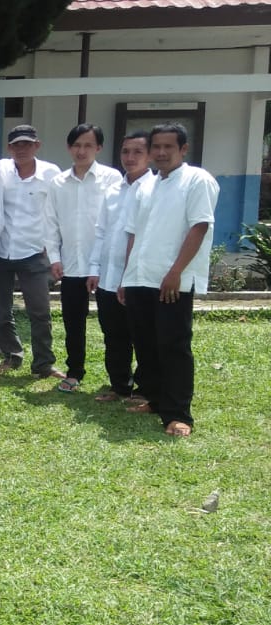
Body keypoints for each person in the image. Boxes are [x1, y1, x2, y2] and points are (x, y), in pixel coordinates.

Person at [120, 122, 220, 437]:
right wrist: (126, 276)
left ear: (183, 149)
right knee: (146, 343)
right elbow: (134, 234)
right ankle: (155, 399)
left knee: (173, 345)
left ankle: (178, 414)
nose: (162, 152)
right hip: (140, 276)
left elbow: (199, 227)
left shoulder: (197, 180)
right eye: (157, 147)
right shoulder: (146, 186)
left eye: (169, 147)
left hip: (172, 279)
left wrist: (176, 271)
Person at [44, 123, 121, 393]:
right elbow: (50, 223)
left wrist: (99, 264)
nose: (81, 151)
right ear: (69, 148)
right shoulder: (58, 183)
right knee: (73, 323)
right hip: (72, 265)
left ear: (99, 148)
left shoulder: (111, 178)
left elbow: (114, 223)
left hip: (105, 266)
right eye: (76, 145)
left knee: (112, 324)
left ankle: (119, 379)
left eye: (88, 145)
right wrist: (55, 258)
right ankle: (75, 372)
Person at [0, 124, 62, 378]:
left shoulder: (51, 173)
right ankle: (12, 355)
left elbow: (57, 213)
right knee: (2, 311)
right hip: (2, 250)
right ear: (9, 148)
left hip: (34, 252)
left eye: (27, 144)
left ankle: (43, 363)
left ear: (36, 146)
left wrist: (54, 250)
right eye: (16, 145)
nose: (21, 149)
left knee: (40, 311)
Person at [88, 131, 154, 402]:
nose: (130, 157)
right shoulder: (113, 190)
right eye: (126, 151)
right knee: (113, 335)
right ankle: (119, 385)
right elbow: (101, 231)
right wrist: (94, 267)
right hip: (108, 276)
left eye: (137, 152)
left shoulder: (154, 189)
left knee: (142, 335)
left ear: (150, 155)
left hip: (138, 277)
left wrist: (129, 276)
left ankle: (145, 388)